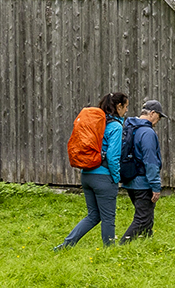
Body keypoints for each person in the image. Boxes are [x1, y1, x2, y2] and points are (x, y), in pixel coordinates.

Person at [56, 92, 129, 249]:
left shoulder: (96, 124)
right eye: (126, 107)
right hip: (103, 178)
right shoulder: (115, 126)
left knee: (93, 216)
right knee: (108, 218)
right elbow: (112, 156)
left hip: (87, 175)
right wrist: (116, 178)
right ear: (119, 106)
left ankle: (66, 245)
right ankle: (109, 252)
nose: (126, 111)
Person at [120, 99, 166, 243]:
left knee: (146, 217)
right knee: (142, 218)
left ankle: (146, 244)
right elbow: (150, 162)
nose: (158, 121)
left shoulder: (129, 128)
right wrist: (155, 186)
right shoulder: (147, 132)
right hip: (143, 182)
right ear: (152, 113)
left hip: (130, 181)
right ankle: (122, 245)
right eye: (158, 117)